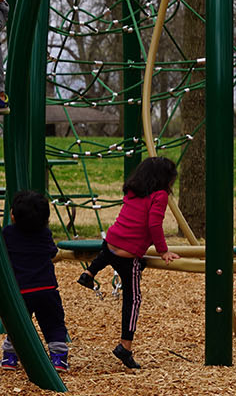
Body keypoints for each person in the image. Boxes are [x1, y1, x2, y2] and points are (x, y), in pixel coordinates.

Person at [76, 156, 182, 369]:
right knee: (133, 299)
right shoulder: (159, 196)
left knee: (107, 251)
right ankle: (125, 346)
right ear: (165, 180)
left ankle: (89, 273)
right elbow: (154, 225)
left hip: (111, 243)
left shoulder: (133, 191)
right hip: (127, 255)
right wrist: (163, 251)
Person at [0, 190, 70, 372]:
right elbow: (52, 252)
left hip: (19, 290)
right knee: (53, 323)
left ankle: (10, 357)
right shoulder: (44, 234)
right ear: (45, 219)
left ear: (13, 215)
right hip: (46, 288)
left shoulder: (7, 233)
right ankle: (59, 358)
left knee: (18, 324)